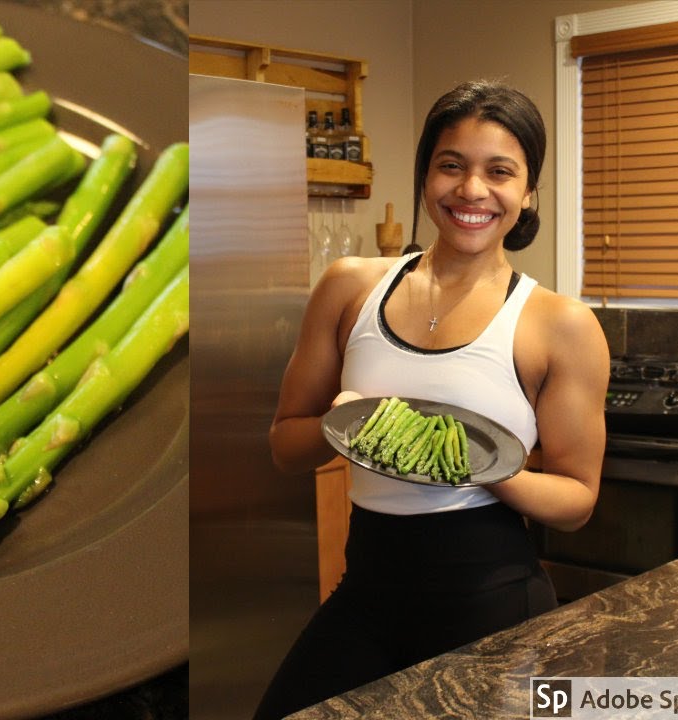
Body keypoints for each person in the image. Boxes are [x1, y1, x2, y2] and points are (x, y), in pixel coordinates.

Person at [255, 80, 610, 718]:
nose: (472, 190)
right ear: (425, 177)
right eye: (451, 165)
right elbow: (285, 444)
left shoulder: (560, 325)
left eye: (499, 172)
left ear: (527, 192)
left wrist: (487, 470)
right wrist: (340, 426)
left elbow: (578, 499)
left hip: (493, 606)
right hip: (364, 594)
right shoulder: (349, 289)